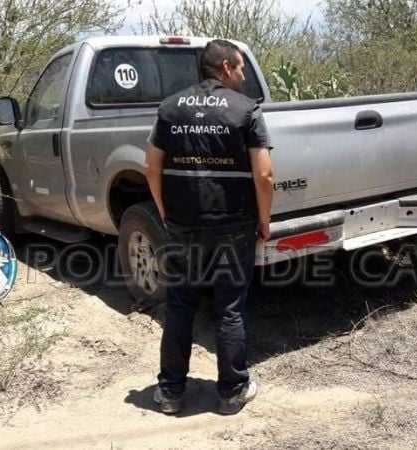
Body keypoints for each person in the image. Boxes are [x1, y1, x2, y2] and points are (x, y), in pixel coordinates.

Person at [144, 39, 274, 414]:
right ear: (226, 68)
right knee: (228, 308)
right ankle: (232, 391)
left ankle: (170, 392)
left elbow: (151, 166)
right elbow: (264, 175)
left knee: (180, 304)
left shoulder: (169, 109)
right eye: (241, 67)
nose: (244, 74)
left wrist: (165, 210)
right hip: (233, 224)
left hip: (182, 223)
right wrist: (263, 220)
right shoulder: (246, 109)